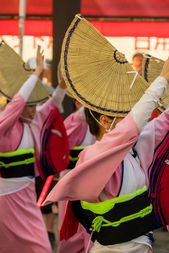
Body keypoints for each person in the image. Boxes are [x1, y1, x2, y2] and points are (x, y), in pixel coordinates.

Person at [45, 43, 169, 253]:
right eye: (124, 114)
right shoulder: (93, 154)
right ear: (105, 121)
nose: (132, 118)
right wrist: (163, 78)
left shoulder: (133, 147)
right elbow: (133, 125)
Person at [0, 46, 67, 253]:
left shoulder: (31, 122)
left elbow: (52, 106)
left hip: (28, 198)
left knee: (42, 248)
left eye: (35, 105)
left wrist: (61, 86)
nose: (34, 109)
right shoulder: (4, 124)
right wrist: (36, 73)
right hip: (6, 199)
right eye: (30, 105)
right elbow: (17, 104)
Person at [57, 101, 96, 253]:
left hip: (90, 182)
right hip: (70, 180)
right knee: (70, 227)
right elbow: (82, 114)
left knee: (89, 227)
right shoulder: (72, 120)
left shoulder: (97, 123)